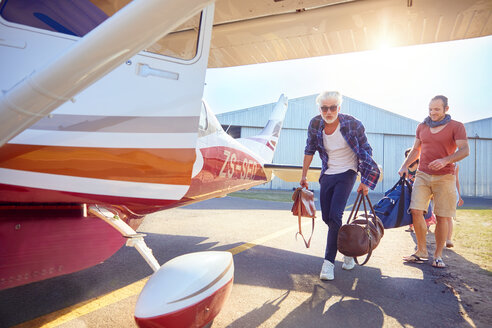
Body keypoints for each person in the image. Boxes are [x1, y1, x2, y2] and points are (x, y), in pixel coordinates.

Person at [300, 91, 380, 281]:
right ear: (320, 109)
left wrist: (365, 180)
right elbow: (309, 149)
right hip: (328, 173)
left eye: (333, 107)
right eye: (324, 108)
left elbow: (366, 151)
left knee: (336, 215)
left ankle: (328, 263)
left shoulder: (353, 124)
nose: (329, 112)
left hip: (348, 172)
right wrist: (303, 175)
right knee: (328, 218)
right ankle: (348, 251)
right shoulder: (315, 124)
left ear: (339, 108)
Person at [398, 95, 469, 269]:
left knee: (442, 216)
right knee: (415, 210)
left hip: (445, 176)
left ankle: (438, 255)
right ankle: (421, 250)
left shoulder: (456, 126)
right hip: (422, 174)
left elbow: (465, 150)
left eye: (437, 109)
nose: (432, 112)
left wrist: (445, 160)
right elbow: (416, 149)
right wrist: (405, 166)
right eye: (430, 109)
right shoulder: (422, 126)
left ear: (446, 109)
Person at [403, 148, 436, 233]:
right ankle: (411, 226)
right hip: (410, 188)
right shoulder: (406, 165)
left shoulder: (418, 163)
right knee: (410, 206)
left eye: (409, 154)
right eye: (407, 155)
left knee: (424, 206)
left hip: (420, 186)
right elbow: (405, 176)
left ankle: (427, 223)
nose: (408, 156)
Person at [445, 163, 464, 248]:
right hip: (441, 190)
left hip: (452, 191)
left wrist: (459, 196)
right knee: (442, 217)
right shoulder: (440, 160)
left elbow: (457, 180)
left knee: (448, 217)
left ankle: (448, 239)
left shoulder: (456, 164)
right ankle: (446, 239)